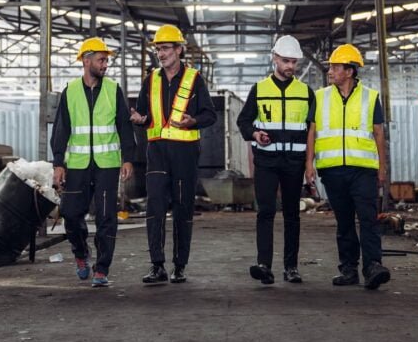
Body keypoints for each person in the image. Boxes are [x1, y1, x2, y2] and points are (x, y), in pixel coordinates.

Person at [129, 24, 216, 284]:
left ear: (179, 50)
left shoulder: (194, 79)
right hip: (156, 152)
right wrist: (139, 118)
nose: (161, 53)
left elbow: (210, 115)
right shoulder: (150, 80)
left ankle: (180, 266)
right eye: (158, 49)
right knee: (154, 207)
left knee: (183, 208)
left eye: (165, 48)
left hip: (185, 152)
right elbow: (145, 115)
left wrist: (192, 121)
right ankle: (157, 266)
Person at [51, 37, 135, 288]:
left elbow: (124, 125)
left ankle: (102, 268)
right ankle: (80, 253)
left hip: (107, 165)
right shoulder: (71, 91)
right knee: (70, 213)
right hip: (77, 164)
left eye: (107, 60)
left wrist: (128, 158)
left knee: (107, 216)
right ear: (86, 61)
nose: (105, 64)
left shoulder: (113, 90)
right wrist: (58, 163)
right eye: (101, 59)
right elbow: (61, 130)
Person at [306, 43, 391, 290]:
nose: (330, 71)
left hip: (363, 169)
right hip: (332, 170)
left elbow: (378, 134)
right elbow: (312, 131)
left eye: (335, 66)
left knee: (368, 219)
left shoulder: (370, 97)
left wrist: (382, 168)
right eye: (331, 66)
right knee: (344, 222)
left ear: (350, 71)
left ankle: (373, 266)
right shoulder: (320, 97)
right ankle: (348, 269)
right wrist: (308, 165)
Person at [236, 35, 315, 285]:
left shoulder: (305, 92)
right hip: (267, 162)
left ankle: (291, 268)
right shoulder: (259, 90)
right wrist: (254, 134)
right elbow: (243, 121)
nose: (290, 66)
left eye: (293, 62)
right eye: (285, 61)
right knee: (266, 212)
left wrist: (309, 164)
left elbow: (312, 129)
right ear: (274, 59)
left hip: (294, 162)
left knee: (292, 214)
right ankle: (264, 265)